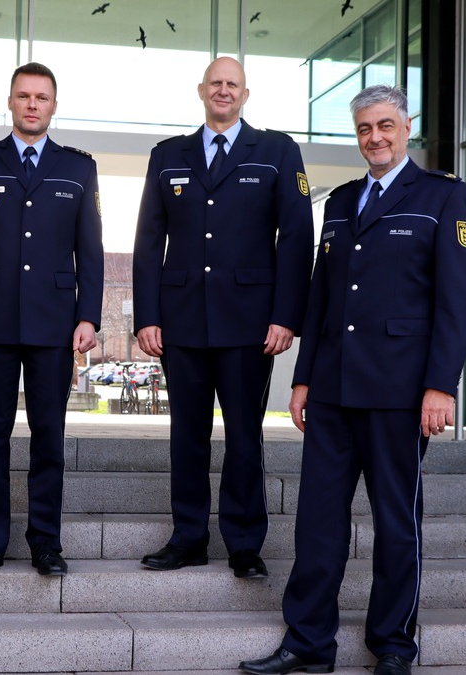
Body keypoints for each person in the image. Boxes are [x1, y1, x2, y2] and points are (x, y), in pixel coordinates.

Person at [239, 85, 466, 675]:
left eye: (385, 126)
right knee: (318, 521)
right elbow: (322, 296)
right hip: (334, 391)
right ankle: (307, 642)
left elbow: (456, 301)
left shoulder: (445, 198)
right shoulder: (341, 201)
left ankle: (394, 645)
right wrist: (303, 380)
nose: (375, 137)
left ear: (406, 127)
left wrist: (441, 386)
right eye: (365, 128)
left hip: (402, 392)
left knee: (397, 523)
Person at [132, 57, 314, 579]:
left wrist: (286, 316)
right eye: (216, 83)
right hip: (182, 321)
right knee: (185, 434)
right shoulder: (168, 155)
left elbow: (297, 237)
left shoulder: (278, 151)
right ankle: (188, 537)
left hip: (251, 325)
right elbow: (148, 241)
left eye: (232, 84)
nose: (223, 91)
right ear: (201, 91)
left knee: (243, 436)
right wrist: (148, 315)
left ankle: (243, 544)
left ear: (245, 94)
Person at [0, 62, 103, 577]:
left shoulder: (79, 168)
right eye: (24, 96)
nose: (33, 104)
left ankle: (45, 543)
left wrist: (89, 317)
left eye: (42, 97)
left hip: (55, 325)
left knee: (48, 437)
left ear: (54, 105)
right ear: (10, 102)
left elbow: (92, 251)